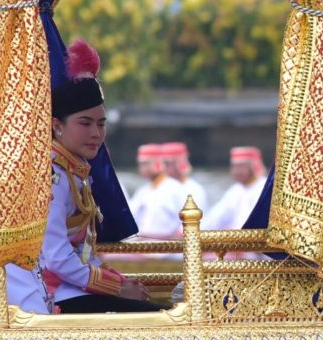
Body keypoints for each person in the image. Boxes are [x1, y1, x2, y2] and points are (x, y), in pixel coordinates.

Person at [36, 39, 163, 313]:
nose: (96, 133)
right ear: (56, 126)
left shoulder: (77, 172)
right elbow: (56, 258)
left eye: (101, 124)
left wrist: (121, 283)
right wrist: (117, 287)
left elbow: (85, 254)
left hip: (77, 289)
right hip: (55, 296)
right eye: (85, 123)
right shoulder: (53, 177)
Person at [202, 147, 266, 231]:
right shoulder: (235, 191)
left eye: (241, 167)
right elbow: (216, 217)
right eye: (234, 167)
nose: (237, 171)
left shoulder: (264, 188)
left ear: (253, 167)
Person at [129, 143, 184, 239]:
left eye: (145, 163)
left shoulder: (176, 189)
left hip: (167, 248)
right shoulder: (142, 191)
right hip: (141, 244)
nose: (141, 168)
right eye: (140, 164)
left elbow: (186, 226)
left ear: (159, 164)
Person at [161, 142, 209, 213]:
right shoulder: (151, 189)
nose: (164, 168)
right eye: (163, 164)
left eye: (168, 164)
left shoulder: (194, 190)